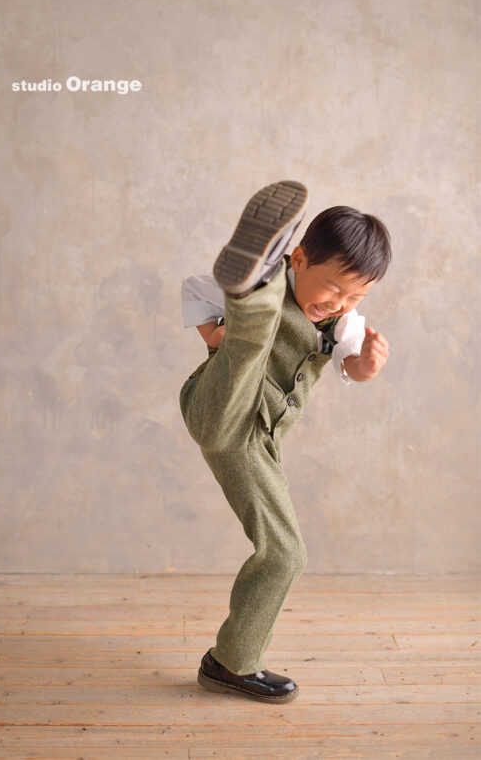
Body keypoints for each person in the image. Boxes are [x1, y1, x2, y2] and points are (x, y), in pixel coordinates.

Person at [179, 180, 391, 703]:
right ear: (299, 259)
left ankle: (232, 661)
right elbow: (196, 288)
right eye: (333, 287)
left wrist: (365, 364)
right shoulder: (274, 291)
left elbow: (351, 369)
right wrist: (211, 333)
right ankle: (255, 289)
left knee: (285, 555)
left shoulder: (341, 322)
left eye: (356, 295)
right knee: (251, 342)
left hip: (256, 440)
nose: (340, 302)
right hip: (220, 406)